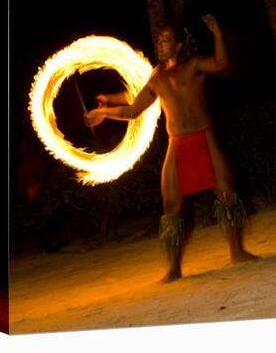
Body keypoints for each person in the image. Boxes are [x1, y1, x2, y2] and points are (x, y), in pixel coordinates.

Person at [85, 14, 259, 282]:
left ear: (178, 45)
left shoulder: (193, 65)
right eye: (159, 40)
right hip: (177, 144)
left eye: (166, 40)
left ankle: (237, 252)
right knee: (171, 207)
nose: (161, 44)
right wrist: (106, 112)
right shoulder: (156, 77)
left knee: (228, 196)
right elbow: (133, 110)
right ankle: (174, 268)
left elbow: (221, 63)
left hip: (204, 138)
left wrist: (217, 33)